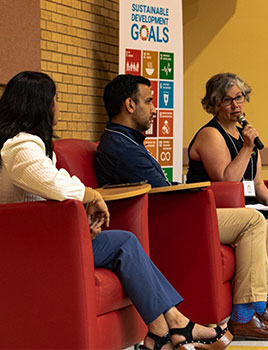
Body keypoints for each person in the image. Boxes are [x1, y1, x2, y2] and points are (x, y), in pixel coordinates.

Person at [0, 71, 235, 350]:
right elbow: (53, 184)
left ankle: (164, 328)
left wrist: (84, 218)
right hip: (31, 246)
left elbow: (51, 197)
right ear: (40, 104)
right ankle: (172, 327)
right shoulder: (20, 146)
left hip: (49, 239)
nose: (58, 107)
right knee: (124, 243)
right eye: (56, 100)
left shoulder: (32, 145)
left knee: (125, 243)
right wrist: (91, 196)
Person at [96, 74, 268, 340]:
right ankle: (245, 316)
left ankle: (257, 310)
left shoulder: (126, 140)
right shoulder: (123, 147)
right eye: (149, 101)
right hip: (171, 218)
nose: (154, 109)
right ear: (129, 105)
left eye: (239, 98)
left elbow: (158, 186)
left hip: (176, 210)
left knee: (265, 221)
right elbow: (167, 193)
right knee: (254, 221)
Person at [186, 73, 268, 310]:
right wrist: (247, 147)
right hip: (218, 205)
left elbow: (256, 182)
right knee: (265, 227)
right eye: (228, 100)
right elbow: (227, 180)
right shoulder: (211, 134)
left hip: (248, 204)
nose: (236, 105)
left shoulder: (246, 134)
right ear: (215, 104)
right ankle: (261, 293)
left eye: (239, 98)